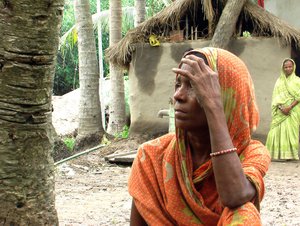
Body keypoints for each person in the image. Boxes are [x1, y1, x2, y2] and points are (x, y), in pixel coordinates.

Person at [128, 47, 271, 225]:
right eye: (178, 84)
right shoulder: (152, 157)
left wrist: (214, 108)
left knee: (244, 213)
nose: (177, 96)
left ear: (226, 98)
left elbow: (235, 196)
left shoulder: (250, 153)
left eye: (194, 87)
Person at [266, 58, 300, 161]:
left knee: (291, 132)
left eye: (290, 66)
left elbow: (299, 96)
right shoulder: (279, 82)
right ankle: (274, 155)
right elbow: (275, 97)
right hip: (280, 112)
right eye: (286, 67)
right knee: (275, 131)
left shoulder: (298, 81)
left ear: (293, 67)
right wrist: (281, 108)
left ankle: (289, 156)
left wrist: (289, 107)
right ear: (283, 68)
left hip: (293, 111)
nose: (288, 69)